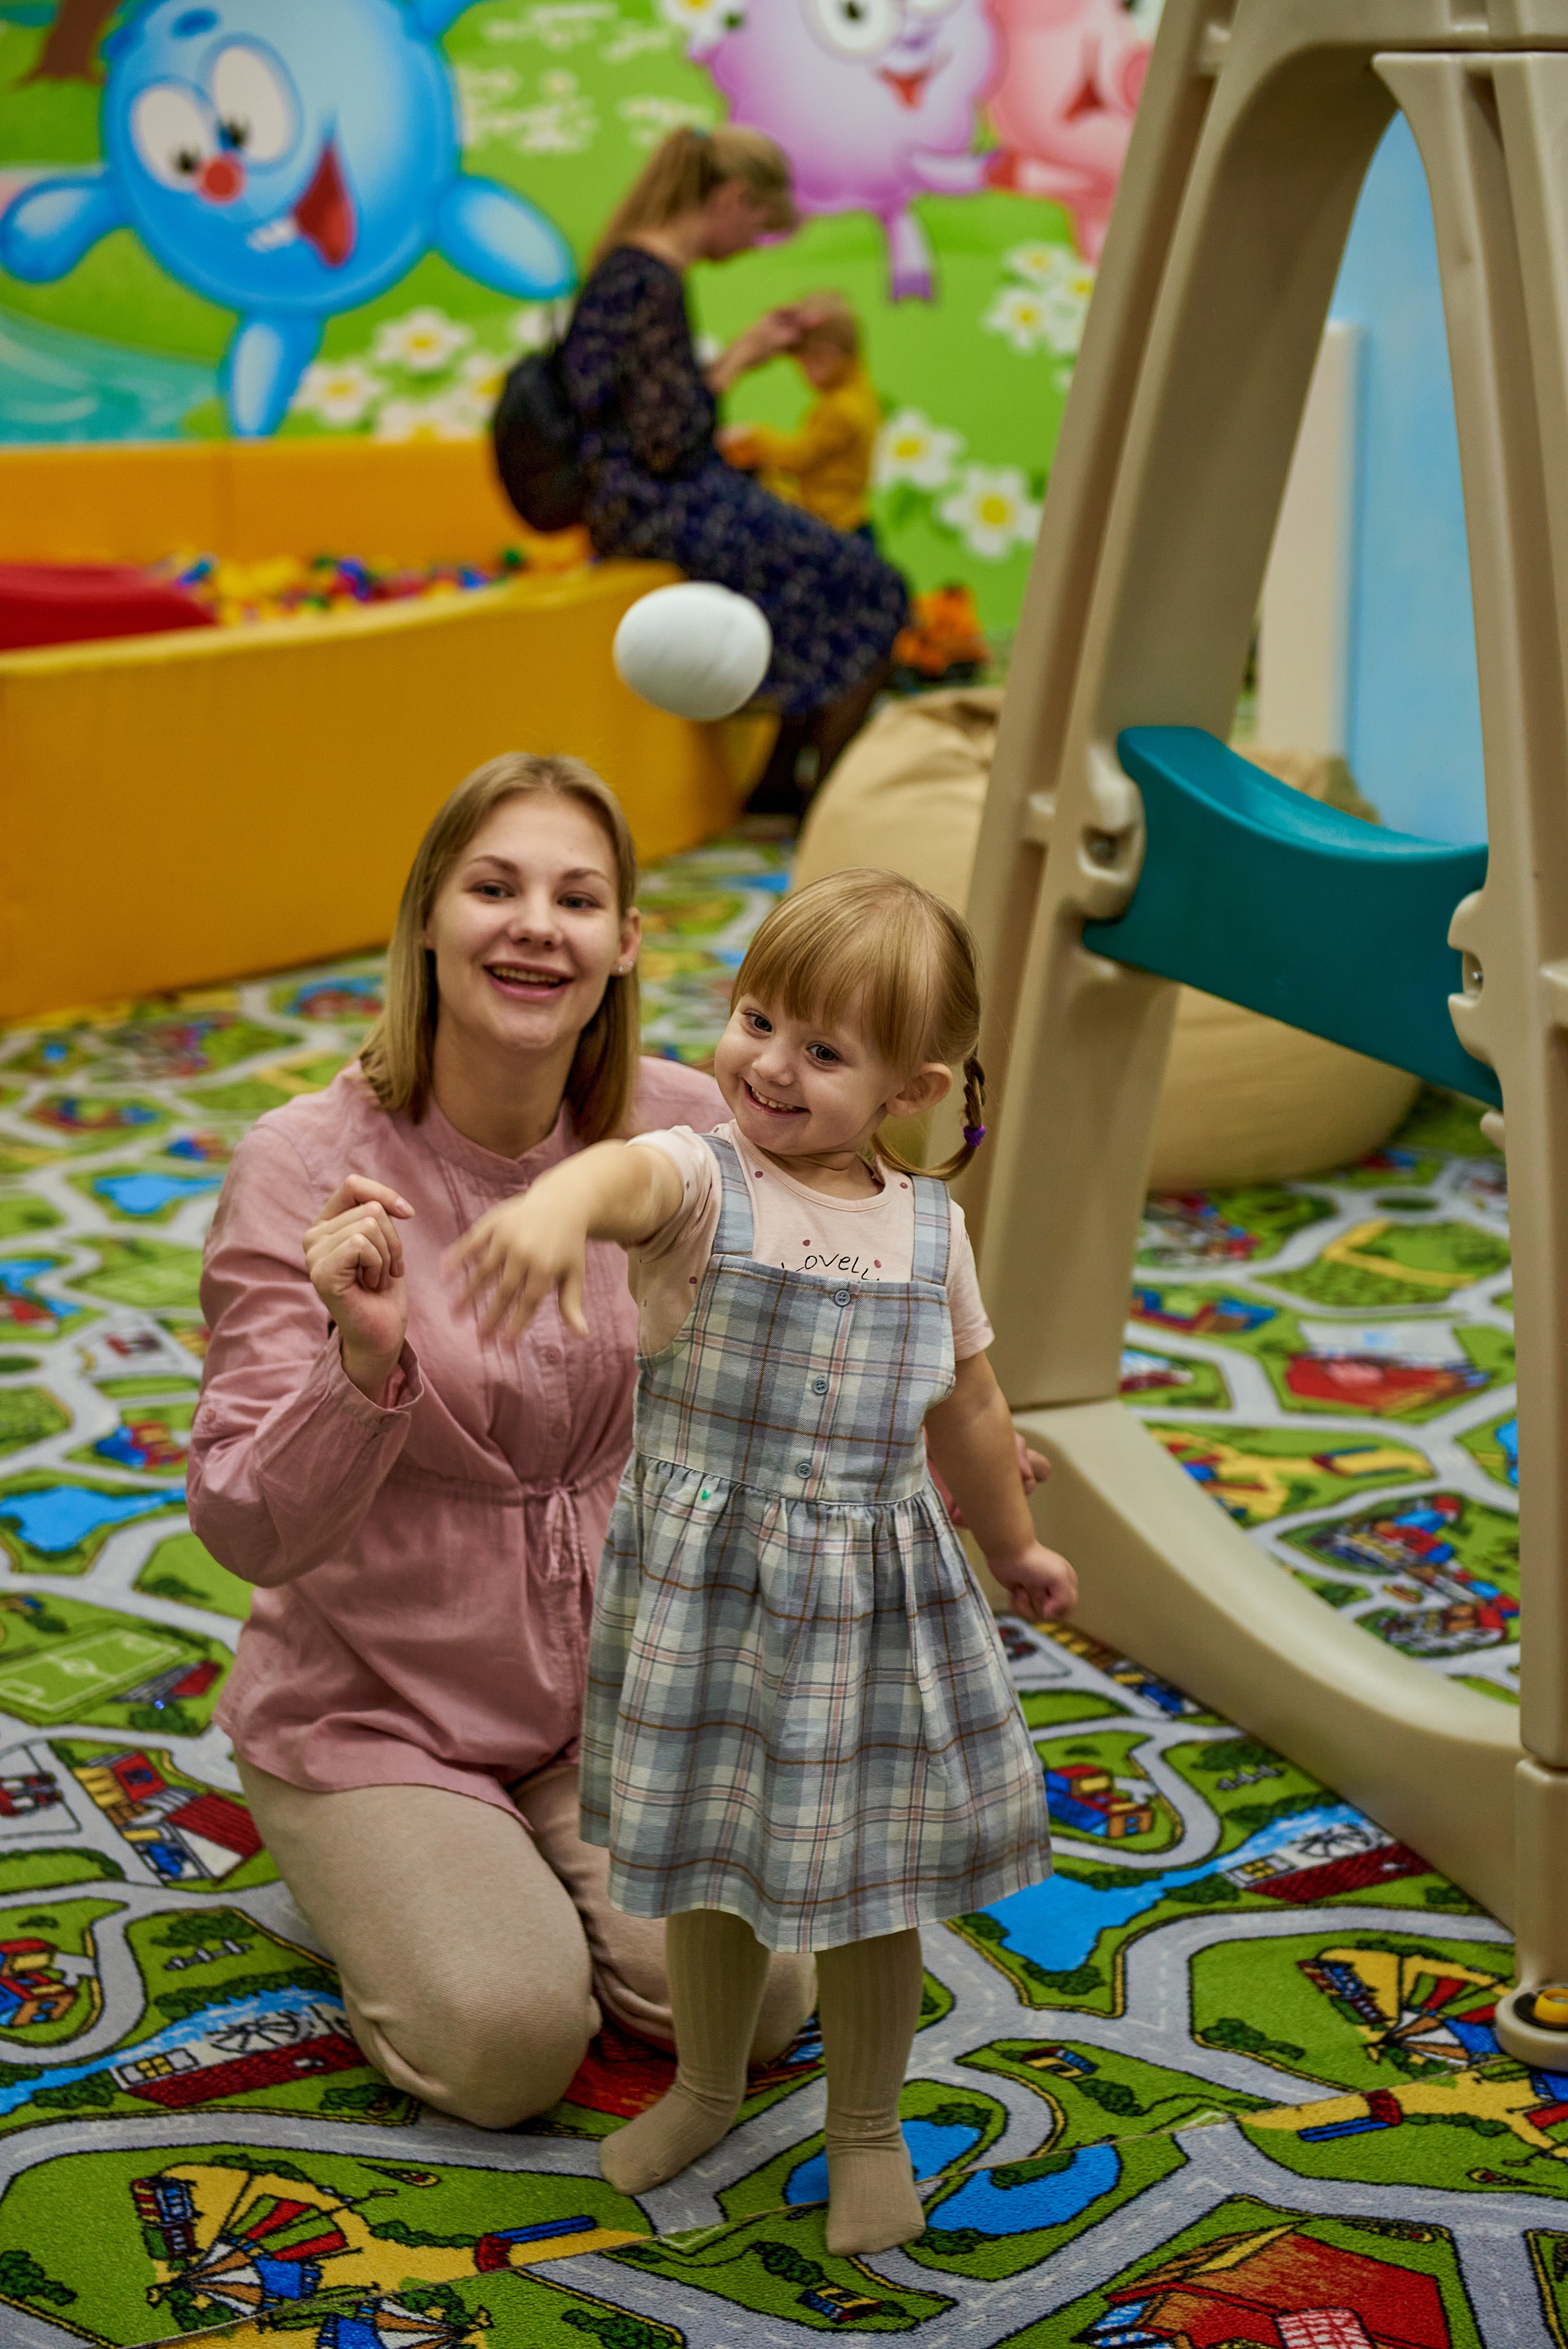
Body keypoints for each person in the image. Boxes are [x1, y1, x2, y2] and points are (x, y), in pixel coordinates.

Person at [186, 752, 815, 2130]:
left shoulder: (689, 1130)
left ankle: (518, 1866)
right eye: (494, 887)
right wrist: (358, 1363)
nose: (536, 923)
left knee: (757, 2000)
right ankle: (373, 1867)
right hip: (376, 1705)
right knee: (505, 2044)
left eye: (577, 898)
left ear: (625, 942)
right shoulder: (302, 1166)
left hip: (608, 1695)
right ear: (426, 918)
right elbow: (241, 1522)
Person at [451, 869, 1076, 2252]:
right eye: (754, 1017)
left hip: (870, 1603)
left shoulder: (929, 1229)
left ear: (911, 1086)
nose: (766, 1064)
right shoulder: (701, 1175)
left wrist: (1016, 1538)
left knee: (870, 1886)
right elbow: (623, 1173)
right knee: (701, 1860)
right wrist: (561, 1206)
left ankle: (864, 2126)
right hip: (711, 1595)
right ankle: (707, 2083)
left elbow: (967, 1401)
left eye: (821, 1048)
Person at [560, 126, 908, 820]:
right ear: (731, 197)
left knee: (823, 575)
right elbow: (670, 443)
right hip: (654, 506)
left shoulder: (627, 270)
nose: (752, 242)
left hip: (634, 498)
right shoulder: (650, 280)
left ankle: (780, 781)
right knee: (876, 588)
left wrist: (741, 356)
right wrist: (736, 369)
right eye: (757, 224)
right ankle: (828, 805)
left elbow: (650, 422)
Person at [718, 293, 881, 540]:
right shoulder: (859, 395)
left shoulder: (842, 410)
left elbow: (799, 458)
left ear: (826, 357)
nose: (801, 374)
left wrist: (753, 436)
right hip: (841, 518)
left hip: (837, 523)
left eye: (804, 364)